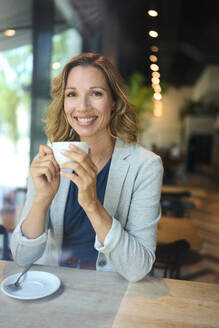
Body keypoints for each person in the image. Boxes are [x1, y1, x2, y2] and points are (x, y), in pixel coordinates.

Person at [11, 53, 163, 282]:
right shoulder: (50, 159)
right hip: (55, 285)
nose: (82, 107)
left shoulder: (145, 166)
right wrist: (41, 200)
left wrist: (92, 204)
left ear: (114, 102)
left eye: (96, 93)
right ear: (63, 103)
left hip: (113, 290)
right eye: (72, 94)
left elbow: (138, 268)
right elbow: (22, 258)